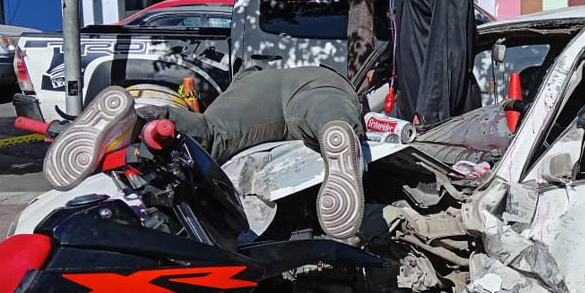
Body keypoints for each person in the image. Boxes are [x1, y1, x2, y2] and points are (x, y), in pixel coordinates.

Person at [45, 66, 367, 240]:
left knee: (211, 132)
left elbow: (209, 131)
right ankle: (335, 130)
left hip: (258, 85)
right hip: (323, 82)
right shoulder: (334, 78)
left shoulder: (248, 78)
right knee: (325, 110)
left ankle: (141, 118)